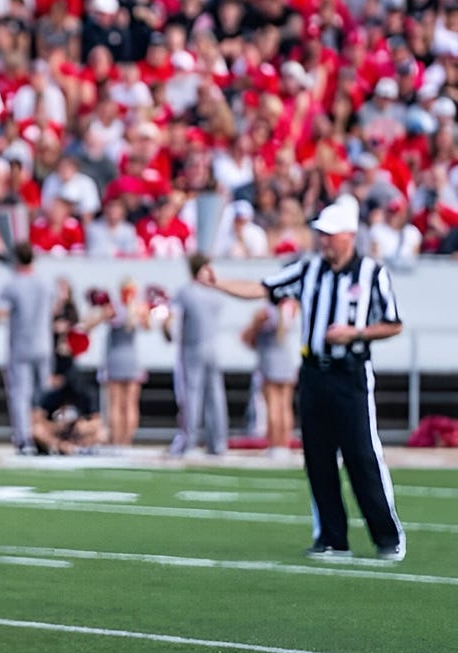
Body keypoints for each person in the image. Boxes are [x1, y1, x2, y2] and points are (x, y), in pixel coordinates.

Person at [201, 195, 405, 561]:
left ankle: (388, 537)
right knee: (318, 457)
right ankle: (331, 537)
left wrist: (355, 334)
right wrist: (220, 283)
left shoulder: (371, 272)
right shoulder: (307, 270)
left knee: (362, 455)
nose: (323, 240)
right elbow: (263, 287)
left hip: (351, 373)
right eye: (321, 234)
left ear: (347, 235)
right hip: (313, 374)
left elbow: (393, 323)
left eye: (329, 234)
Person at [0, 243, 53, 455]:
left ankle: (24, 438)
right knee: (45, 393)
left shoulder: (12, 285)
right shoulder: (45, 284)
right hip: (43, 344)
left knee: (20, 393)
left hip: (21, 345)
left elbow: (0, 314)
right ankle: (48, 435)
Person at [163, 254, 227, 457]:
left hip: (191, 347)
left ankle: (188, 441)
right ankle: (217, 442)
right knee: (215, 396)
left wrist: (167, 332)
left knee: (191, 394)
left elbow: (172, 319)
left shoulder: (186, 292)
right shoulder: (213, 292)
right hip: (213, 347)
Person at [86, 280, 150, 449]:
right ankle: (126, 441)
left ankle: (116, 441)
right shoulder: (138, 308)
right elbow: (148, 326)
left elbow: (89, 325)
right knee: (130, 405)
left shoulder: (113, 308)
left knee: (114, 404)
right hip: (131, 359)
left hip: (115, 358)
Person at [241, 299, 302, 458]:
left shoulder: (265, 314)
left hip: (270, 361)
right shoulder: (292, 309)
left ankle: (276, 444)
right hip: (288, 361)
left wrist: (255, 325)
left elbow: (247, 338)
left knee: (273, 405)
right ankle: (285, 443)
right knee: (285, 406)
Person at [30, 370, 107, 455]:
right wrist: (55, 426)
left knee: (102, 434)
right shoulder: (53, 396)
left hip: (77, 435)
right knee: (36, 431)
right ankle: (60, 447)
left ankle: (77, 448)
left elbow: (97, 419)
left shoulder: (87, 395)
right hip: (58, 436)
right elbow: (36, 417)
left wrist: (83, 425)